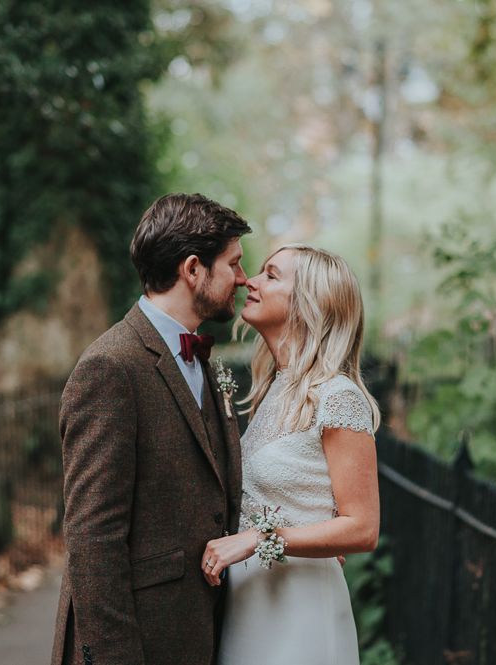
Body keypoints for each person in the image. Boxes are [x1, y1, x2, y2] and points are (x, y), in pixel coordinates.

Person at [51, 193, 251, 665]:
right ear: (193, 269)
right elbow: (92, 536)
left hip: (196, 633)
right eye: (234, 264)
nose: (243, 279)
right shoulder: (110, 367)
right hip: (138, 640)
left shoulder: (204, 359)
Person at [200, 244, 381, 665]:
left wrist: (258, 539)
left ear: (308, 304)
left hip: (301, 608)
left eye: (271, 275)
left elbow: (363, 528)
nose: (250, 281)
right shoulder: (275, 388)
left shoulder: (337, 397)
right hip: (252, 603)